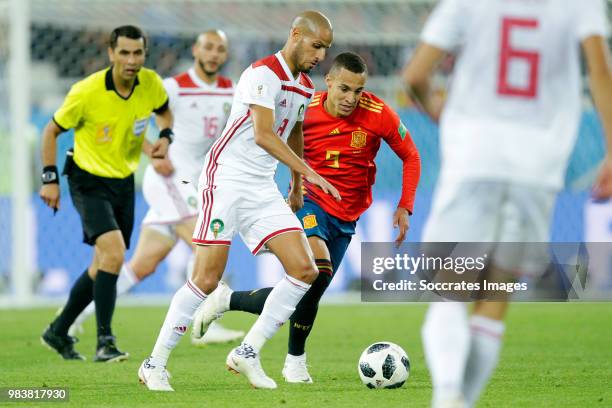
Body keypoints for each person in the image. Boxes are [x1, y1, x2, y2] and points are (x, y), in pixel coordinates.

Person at [402, 0, 612, 407]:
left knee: (450, 291)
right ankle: (459, 401)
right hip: (539, 165)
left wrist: (440, 111)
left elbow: (413, 76)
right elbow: (600, 70)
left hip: (474, 155)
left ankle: (447, 394)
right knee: (494, 298)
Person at [192, 51, 421, 383]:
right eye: (344, 89)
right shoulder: (305, 109)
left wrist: (405, 205)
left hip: (348, 213)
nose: (350, 98)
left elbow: (411, 155)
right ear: (328, 81)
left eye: (357, 91)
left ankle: (228, 300)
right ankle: (285, 359)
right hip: (310, 203)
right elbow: (266, 138)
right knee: (318, 270)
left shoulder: (378, 113)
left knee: (311, 287)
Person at [138, 10, 338, 392]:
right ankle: (154, 363)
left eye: (326, 49)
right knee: (206, 278)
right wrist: (312, 173)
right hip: (225, 179)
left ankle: (248, 352)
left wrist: (297, 183)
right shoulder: (261, 74)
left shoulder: (304, 85)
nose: (320, 55)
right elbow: (263, 134)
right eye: (316, 46)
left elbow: (294, 130)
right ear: (296, 35)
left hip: (263, 186)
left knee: (305, 270)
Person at [67, 30, 244, 346]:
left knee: (142, 265)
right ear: (195, 49)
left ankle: (74, 316)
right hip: (169, 177)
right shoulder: (173, 87)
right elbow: (128, 119)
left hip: (194, 181)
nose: (214, 54)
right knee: (205, 242)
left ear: (225, 54)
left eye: (220, 49)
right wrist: (154, 152)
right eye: (208, 47)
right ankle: (204, 323)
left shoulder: (231, 91)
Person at [39, 25, 173, 362]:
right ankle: (105, 341)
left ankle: (58, 330)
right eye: (124, 53)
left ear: (145, 54)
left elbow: (162, 111)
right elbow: (50, 131)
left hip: (123, 181)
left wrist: (164, 138)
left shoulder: (150, 84)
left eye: (137, 53)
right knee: (113, 254)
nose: (131, 60)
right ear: (111, 53)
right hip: (86, 179)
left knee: (103, 265)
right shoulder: (86, 92)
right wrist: (50, 179)